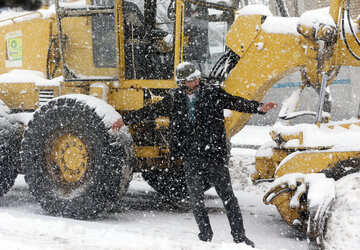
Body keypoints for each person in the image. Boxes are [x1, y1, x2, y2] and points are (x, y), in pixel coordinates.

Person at [112, 62, 277, 247]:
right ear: (182, 82)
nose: (195, 81)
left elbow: (235, 102)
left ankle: (239, 236)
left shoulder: (213, 92)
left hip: (214, 154)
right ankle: (205, 235)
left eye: (196, 77)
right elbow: (152, 110)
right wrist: (125, 119)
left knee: (228, 197)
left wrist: (259, 107)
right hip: (191, 155)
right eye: (191, 79)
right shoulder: (174, 97)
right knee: (196, 199)